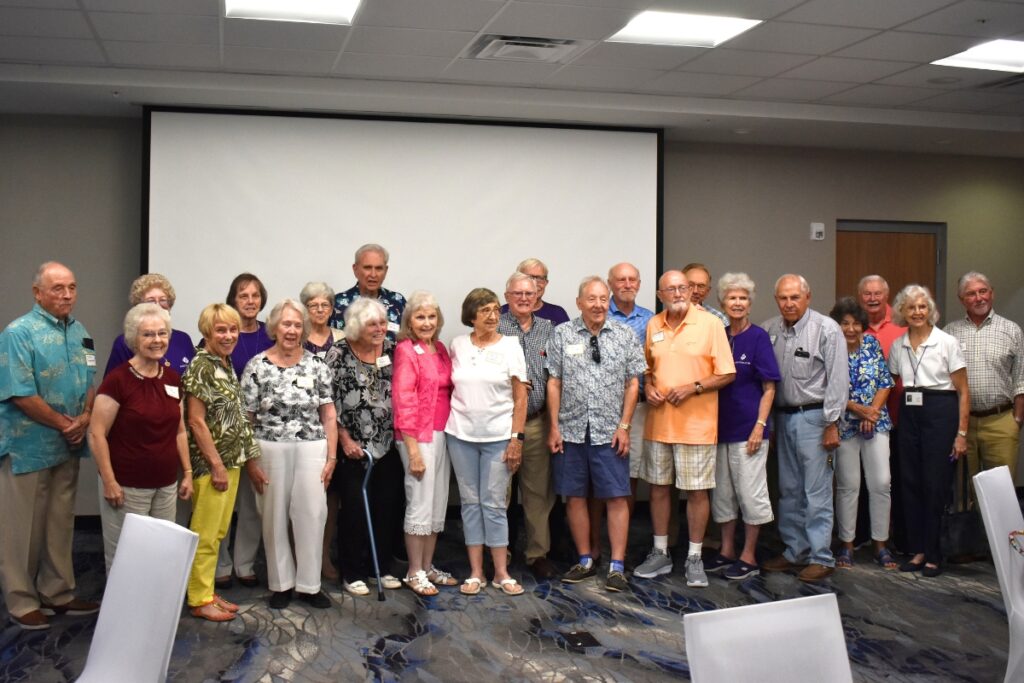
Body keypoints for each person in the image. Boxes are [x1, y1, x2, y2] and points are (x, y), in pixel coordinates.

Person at [0, 262, 99, 631]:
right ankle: (21, 599)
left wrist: (86, 415)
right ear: (37, 293)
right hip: (29, 448)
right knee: (21, 528)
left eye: (72, 287)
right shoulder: (18, 333)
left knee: (60, 523)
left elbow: (90, 378)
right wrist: (65, 424)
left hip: (68, 446)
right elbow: (20, 393)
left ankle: (58, 593)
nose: (67, 295)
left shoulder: (82, 332)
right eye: (57, 288)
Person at [634, 270, 735, 587]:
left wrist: (694, 387)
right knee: (659, 489)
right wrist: (648, 387)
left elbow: (727, 373)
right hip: (659, 424)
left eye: (683, 288)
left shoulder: (710, 324)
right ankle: (661, 553)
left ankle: (694, 557)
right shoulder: (654, 325)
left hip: (696, 427)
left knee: (696, 492)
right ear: (660, 294)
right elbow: (648, 370)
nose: (678, 293)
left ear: (691, 292)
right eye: (671, 289)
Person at [547, 277, 646, 593]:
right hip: (571, 429)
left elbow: (633, 383)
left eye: (604, 298)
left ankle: (617, 565)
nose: (599, 304)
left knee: (617, 496)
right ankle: (585, 559)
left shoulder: (624, 335)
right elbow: (554, 382)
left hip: (610, 432)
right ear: (579, 303)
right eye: (591, 299)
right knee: (574, 496)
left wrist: (625, 425)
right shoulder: (562, 335)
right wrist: (554, 426)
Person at [242, 299, 337, 609]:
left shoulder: (317, 365)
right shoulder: (257, 365)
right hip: (269, 447)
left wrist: (332, 457)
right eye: (286, 324)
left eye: (297, 325)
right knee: (273, 516)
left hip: (312, 447)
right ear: (274, 328)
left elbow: (329, 415)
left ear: (304, 329)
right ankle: (281, 584)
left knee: (312, 513)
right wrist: (251, 460)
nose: (292, 330)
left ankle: (310, 585)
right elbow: (247, 418)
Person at [88, 303, 194, 572]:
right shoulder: (117, 380)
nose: (157, 340)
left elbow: (179, 430)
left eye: (162, 333)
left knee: (160, 554)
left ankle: (153, 613)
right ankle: (124, 614)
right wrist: (109, 481)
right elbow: (96, 433)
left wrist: (188, 472)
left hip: (166, 485)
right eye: (148, 334)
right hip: (126, 487)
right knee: (126, 559)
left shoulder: (171, 378)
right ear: (134, 338)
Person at [762, 274, 848, 583]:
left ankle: (820, 556)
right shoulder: (770, 329)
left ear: (807, 298)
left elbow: (838, 380)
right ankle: (794, 551)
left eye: (794, 297)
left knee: (817, 491)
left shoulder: (826, 330)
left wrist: (832, 424)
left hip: (816, 420)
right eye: (783, 298)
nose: (788, 303)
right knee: (789, 490)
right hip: (783, 419)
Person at [446, 288, 528, 596]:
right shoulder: (457, 345)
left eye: (495, 310)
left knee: (494, 504)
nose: (493, 316)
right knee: (470, 504)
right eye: (485, 311)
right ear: (471, 316)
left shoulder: (511, 345)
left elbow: (521, 399)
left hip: (498, 438)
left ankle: (502, 574)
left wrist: (516, 439)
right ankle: (476, 572)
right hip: (460, 436)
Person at [182, 303, 261, 622]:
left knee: (216, 533)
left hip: (232, 461)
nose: (229, 335)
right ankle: (198, 599)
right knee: (205, 532)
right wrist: (215, 465)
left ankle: (207, 591)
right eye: (221, 330)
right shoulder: (202, 365)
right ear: (206, 333)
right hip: (210, 465)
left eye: (232, 329)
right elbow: (196, 422)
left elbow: (236, 415)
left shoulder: (223, 363)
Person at [325, 298, 405, 597]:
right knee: (355, 510)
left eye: (383, 323)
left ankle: (379, 568)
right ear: (358, 325)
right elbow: (328, 401)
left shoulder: (392, 350)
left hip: (388, 444)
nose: (380, 329)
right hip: (354, 446)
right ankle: (352, 571)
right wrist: (344, 439)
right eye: (373, 324)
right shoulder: (339, 353)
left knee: (387, 508)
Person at [889, 284, 969, 577]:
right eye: (911, 307)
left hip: (941, 411)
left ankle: (935, 554)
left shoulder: (946, 342)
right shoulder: (898, 345)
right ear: (903, 312)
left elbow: (963, 390)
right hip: (909, 415)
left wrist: (961, 433)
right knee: (910, 483)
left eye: (922, 306)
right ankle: (918, 550)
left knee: (935, 485)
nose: (917, 312)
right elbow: (893, 382)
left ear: (931, 310)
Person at [706, 273, 779, 581]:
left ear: (750, 303)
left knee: (750, 494)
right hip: (718, 430)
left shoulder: (759, 337)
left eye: (743, 298)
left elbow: (770, 387)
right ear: (722, 303)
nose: (737, 303)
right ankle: (726, 551)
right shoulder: (718, 335)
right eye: (732, 298)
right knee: (722, 496)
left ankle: (748, 554)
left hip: (749, 430)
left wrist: (759, 426)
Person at [393, 292, 456, 595]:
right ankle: (413, 571)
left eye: (431, 317)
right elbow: (403, 400)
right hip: (416, 436)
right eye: (420, 317)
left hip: (442, 434)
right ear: (409, 321)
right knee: (419, 502)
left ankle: (428, 567)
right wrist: (413, 450)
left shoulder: (440, 349)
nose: (427, 322)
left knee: (436, 504)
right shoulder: (405, 350)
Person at [828, 297, 897, 570]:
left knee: (881, 482)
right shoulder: (831, 348)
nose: (851, 329)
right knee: (848, 486)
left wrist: (872, 411)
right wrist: (859, 410)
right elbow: (827, 388)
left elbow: (884, 381)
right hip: (844, 426)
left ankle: (881, 544)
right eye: (845, 323)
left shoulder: (871, 344)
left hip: (876, 423)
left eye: (856, 323)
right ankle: (846, 544)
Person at [216, 272, 274, 589]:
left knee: (252, 503)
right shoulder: (223, 332)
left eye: (254, 295)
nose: (250, 301)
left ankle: (245, 564)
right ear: (233, 300)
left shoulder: (271, 334)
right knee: (224, 503)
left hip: (260, 431)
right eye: (243, 295)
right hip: (225, 431)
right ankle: (221, 565)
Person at [499, 273, 556, 580]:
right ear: (506, 295)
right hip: (501, 424)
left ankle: (537, 554)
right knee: (500, 494)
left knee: (538, 493)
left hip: (536, 422)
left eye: (529, 293)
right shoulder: (494, 326)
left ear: (538, 296)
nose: (523, 298)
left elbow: (556, 375)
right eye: (517, 293)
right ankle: (500, 554)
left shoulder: (549, 329)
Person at [945, 272, 1024, 485]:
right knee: (962, 489)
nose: (979, 298)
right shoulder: (950, 333)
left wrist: (1016, 420)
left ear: (992, 293)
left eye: (983, 291)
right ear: (962, 300)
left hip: (1001, 422)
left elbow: (1021, 379)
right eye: (971, 294)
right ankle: (967, 520)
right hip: (962, 426)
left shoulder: (1011, 330)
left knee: (1000, 490)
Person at [300, 281, 345, 582]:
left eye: (325, 305)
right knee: (304, 496)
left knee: (332, 497)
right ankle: (302, 557)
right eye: (313, 305)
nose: (319, 310)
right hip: (302, 426)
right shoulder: (294, 335)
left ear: (332, 309)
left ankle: (324, 555)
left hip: (335, 423)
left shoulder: (343, 338)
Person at [103, 273, 195, 377]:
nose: (157, 305)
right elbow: (112, 384)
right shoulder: (125, 342)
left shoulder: (183, 339)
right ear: (138, 306)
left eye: (163, 300)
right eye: (150, 301)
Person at [331, 243, 406, 342]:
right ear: (355, 269)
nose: (373, 274)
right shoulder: (337, 304)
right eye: (367, 268)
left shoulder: (398, 302)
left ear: (386, 270)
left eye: (379, 268)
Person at [500, 258, 570, 325]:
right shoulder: (500, 313)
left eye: (540, 278)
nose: (535, 283)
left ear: (546, 283)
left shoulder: (558, 313)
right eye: (529, 278)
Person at [858, 275, 906, 358]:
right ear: (859, 296)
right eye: (867, 294)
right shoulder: (851, 326)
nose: (872, 299)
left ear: (887, 295)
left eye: (878, 294)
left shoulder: (903, 320)